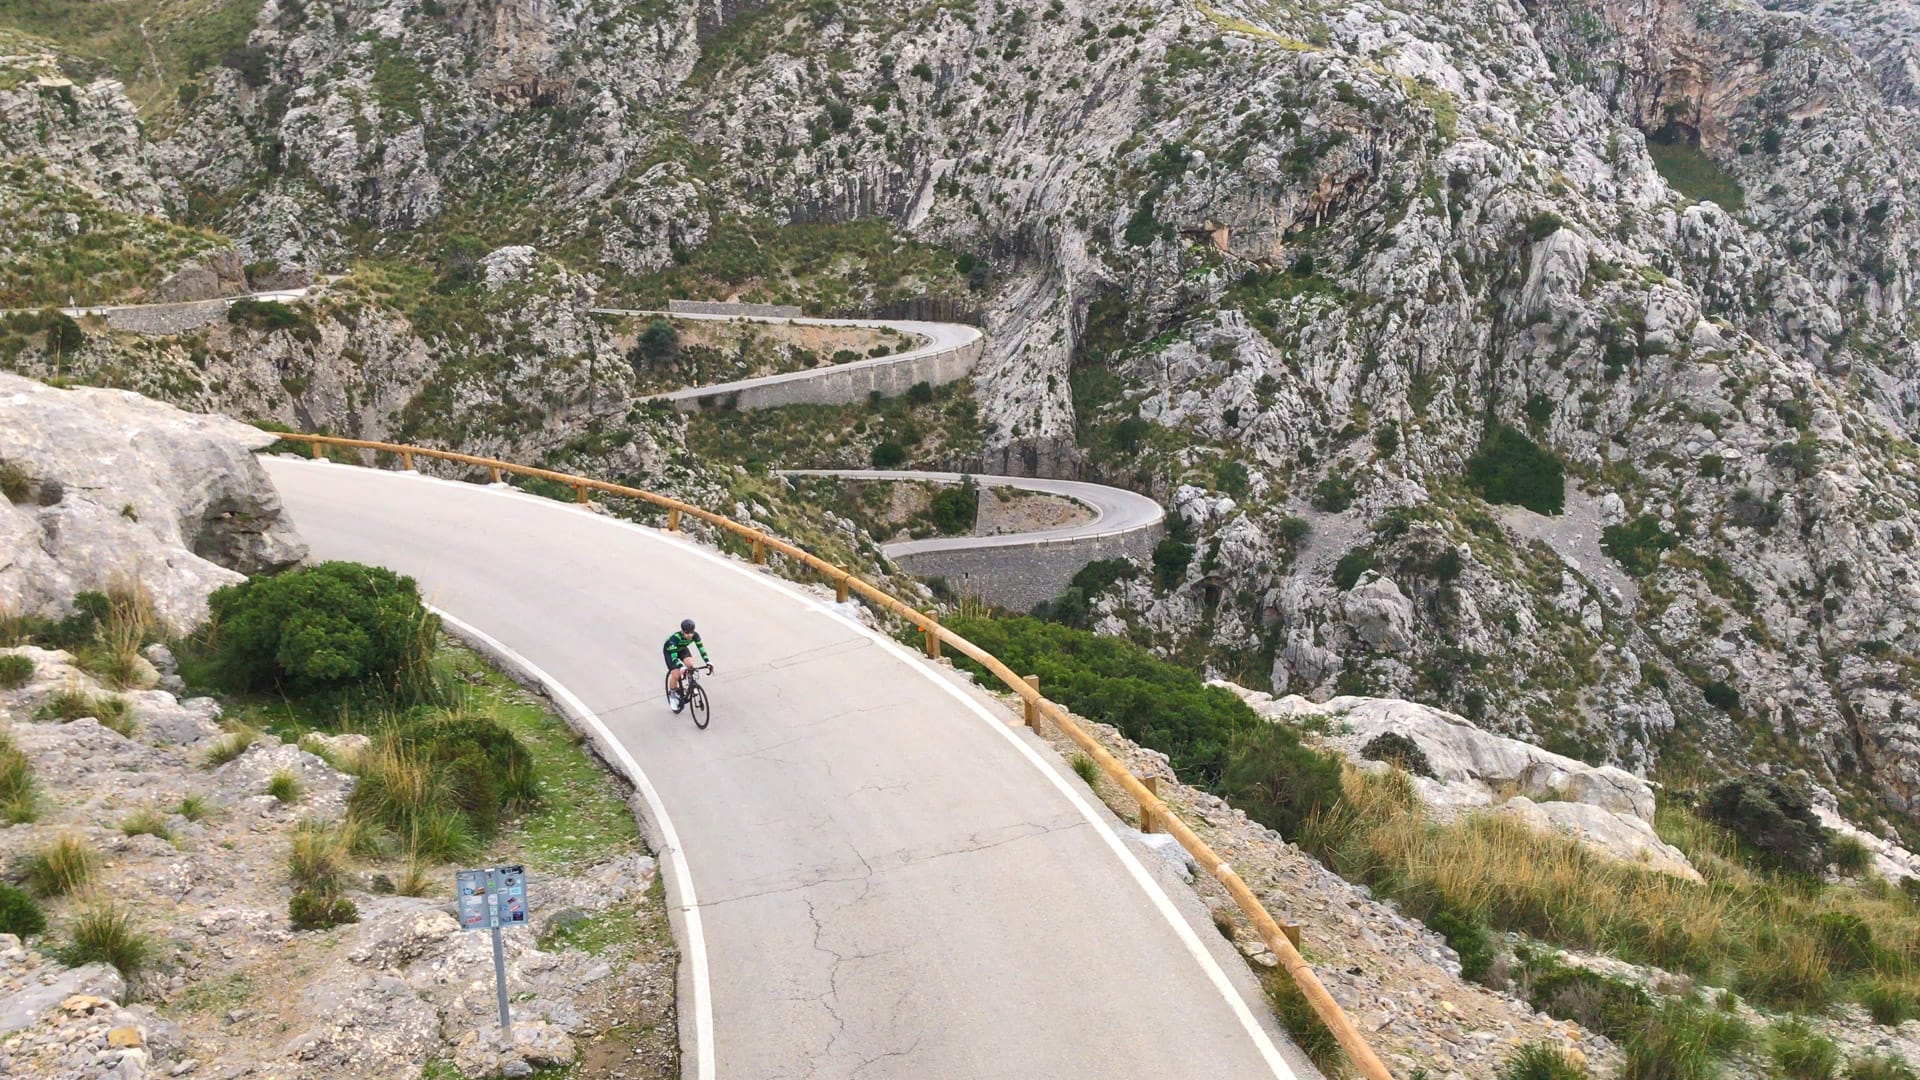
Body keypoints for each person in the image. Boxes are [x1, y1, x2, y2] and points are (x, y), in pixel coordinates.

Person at [664, 618, 711, 713]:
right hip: (670, 651)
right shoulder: (675, 638)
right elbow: (674, 657)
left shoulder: (695, 635)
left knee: (691, 665)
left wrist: (708, 662)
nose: (689, 635)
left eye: (691, 632)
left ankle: (691, 685)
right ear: (682, 631)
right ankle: (672, 696)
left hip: (681, 649)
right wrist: (680, 666)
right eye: (687, 633)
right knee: (676, 674)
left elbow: (701, 649)